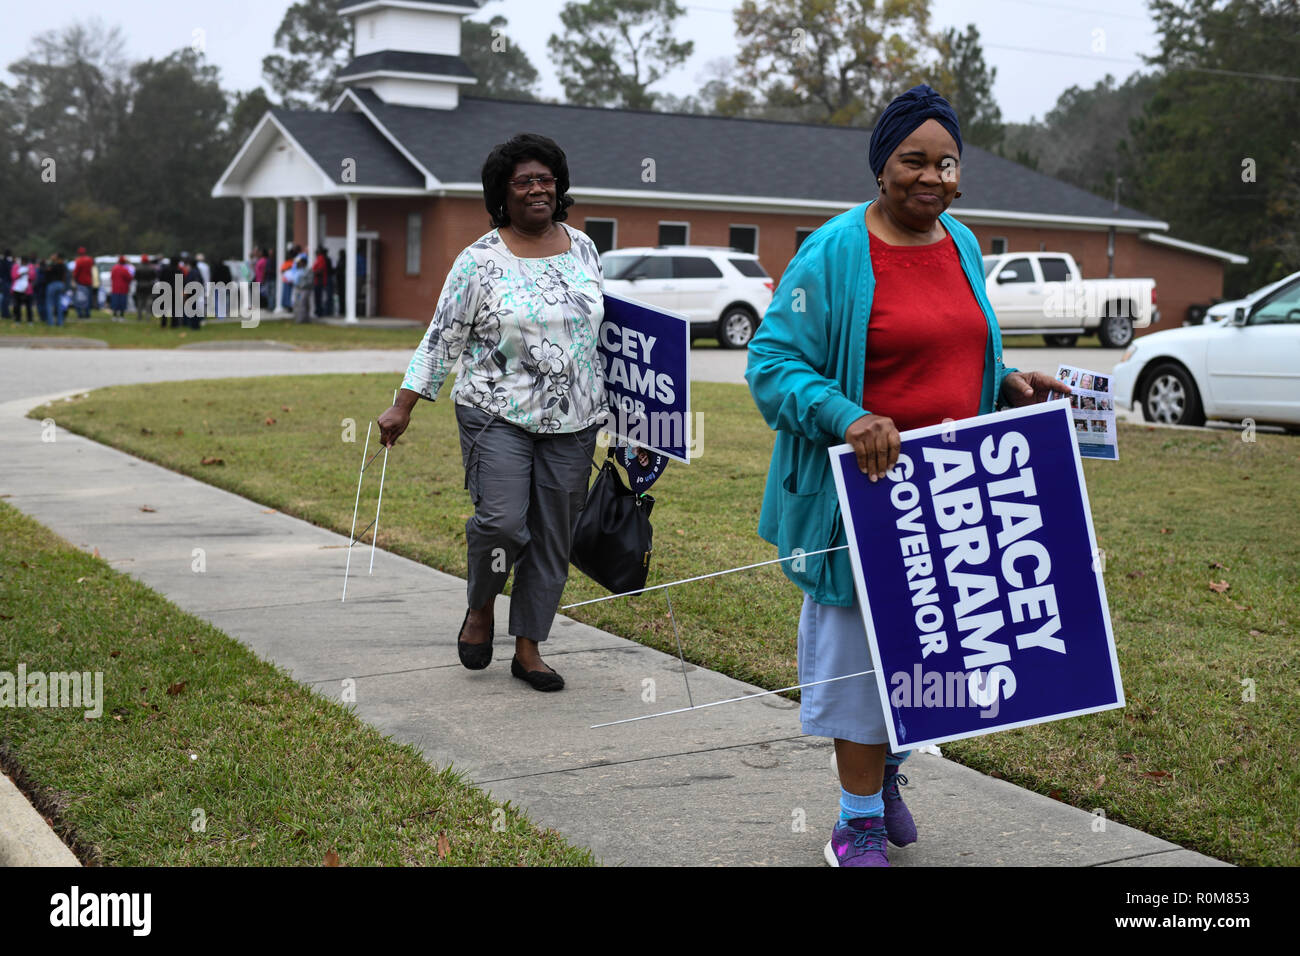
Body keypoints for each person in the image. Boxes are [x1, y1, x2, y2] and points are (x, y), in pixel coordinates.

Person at [745, 84, 1070, 868]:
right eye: (913, 160)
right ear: (881, 166)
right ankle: (854, 822)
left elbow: (960, 351)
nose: (932, 177)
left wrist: (1007, 383)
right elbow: (770, 362)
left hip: (956, 496)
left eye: (947, 162)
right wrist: (848, 416)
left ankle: (886, 773)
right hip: (865, 500)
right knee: (863, 666)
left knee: (938, 662)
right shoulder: (833, 252)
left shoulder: (960, 242)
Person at [377, 133, 605, 692]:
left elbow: (606, 336)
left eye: (546, 179)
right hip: (495, 411)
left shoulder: (583, 248)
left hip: (574, 421)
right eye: (524, 180)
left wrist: (637, 418)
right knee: (503, 522)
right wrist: (402, 405)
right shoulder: (479, 260)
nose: (537, 188)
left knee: (553, 536)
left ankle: (528, 649)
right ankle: (481, 604)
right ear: (503, 191)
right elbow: (441, 338)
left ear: (560, 186)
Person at [43, 254, 68, 326]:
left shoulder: (53, 265)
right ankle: (60, 322)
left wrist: (51, 261)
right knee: (59, 304)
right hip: (60, 284)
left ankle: (51, 322)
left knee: (49, 303)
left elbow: (46, 271)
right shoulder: (63, 266)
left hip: (52, 284)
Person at [10, 255, 35, 323]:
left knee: (29, 306)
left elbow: (32, 277)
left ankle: (30, 320)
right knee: (17, 305)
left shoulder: (30, 267)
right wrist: (21, 274)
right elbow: (13, 276)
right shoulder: (16, 266)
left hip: (27, 289)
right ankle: (18, 319)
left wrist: (28, 273)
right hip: (17, 289)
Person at [72, 246, 94, 318]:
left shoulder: (79, 261)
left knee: (79, 298)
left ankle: (80, 313)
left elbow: (76, 272)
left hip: (81, 282)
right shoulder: (90, 259)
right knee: (88, 298)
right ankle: (87, 313)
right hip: (89, 281)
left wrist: (74, 279)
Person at [134, 255, 157, 319]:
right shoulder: (151, 268)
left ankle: (139, 316)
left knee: (140, 301)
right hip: (149, 286)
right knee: (148, 301)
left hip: (140, 286)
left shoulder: (138, 268)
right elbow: (154, 277)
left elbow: (135, 277)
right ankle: (148, 316)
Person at [292, 253, 313, 322]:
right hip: (297, 288)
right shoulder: (298, 270)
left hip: (305, 289)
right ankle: (298, 318)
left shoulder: (308, 270)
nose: (299, 264)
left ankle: (303, 319)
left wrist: (303, 285)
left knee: (303, 303)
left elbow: (310, 280)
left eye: (300, 262)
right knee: (297, 303)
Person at [312, 246, 330, 317]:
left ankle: (319, 312)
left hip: (320, 281)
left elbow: (320, 270)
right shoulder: (318, 258)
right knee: (317, 297)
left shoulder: (321, 258)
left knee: (319, 298)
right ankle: (318, 311)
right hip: (317, 281)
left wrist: (313, 272)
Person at [0, 249, 12, 319]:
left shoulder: (1, 261)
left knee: (4, 298)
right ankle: (5, 314)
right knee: (6, 298)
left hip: (3, 281)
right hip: (7, 281)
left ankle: (4, 313)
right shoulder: (7, 262)